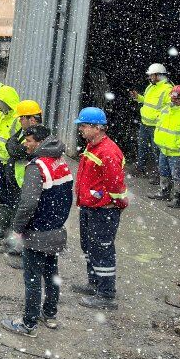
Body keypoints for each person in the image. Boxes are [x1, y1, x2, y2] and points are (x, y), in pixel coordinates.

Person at [2, 125, 73, 336]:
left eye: (30, 140)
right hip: (55, 229)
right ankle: (49, 314)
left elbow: (28, 203)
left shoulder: (36, 167)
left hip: (38, 231)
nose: (26, 144)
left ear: (40, 142)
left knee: (32, 278)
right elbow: (67, 196)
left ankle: (28, 324)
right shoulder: (61, 162)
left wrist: (17, 228)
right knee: (52, 274)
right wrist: (57, 221)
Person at [73, 107, 128, 310]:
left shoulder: (108, 152)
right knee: (89, 246)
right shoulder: (92, 146)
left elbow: (116, 186)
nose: (81, 130)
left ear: (97, 128)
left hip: (103, 209)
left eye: (84, 126)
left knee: (102, 249)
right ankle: (94, 282)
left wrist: (114, 204)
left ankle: (106, 294)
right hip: (90, 206)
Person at [0, 100, 42, 254]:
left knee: (22, 214)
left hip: (24, 181)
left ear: (32, 119)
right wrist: (13, 146)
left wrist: (13, 147)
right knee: (13, 208)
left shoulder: (38, 135)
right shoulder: (24, 131)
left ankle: (20, 247)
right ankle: (11, 238)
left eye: (22, 118)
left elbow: (15, 151)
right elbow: (11, 143)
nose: (19, 120)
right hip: (16, 179)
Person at [149, 84, 180, 207]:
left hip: (177, 152)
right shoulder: (166, 109)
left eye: (177, 97)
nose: (173, 99)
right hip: (164, 149)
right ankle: (164, 192)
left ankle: (178, 199)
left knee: (178, 176)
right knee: (164, 172)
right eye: (172, 96)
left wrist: (178, 144)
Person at [128, 63, 173, 178]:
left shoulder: (168, 89)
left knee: (157, 151)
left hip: (157, 126)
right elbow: (146, 101)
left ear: (158, 75)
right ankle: (140, 169)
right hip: (145, 124)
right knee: (142, 147)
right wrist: (138, 97)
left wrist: (159, 119)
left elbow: (171, 108)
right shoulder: (150, 87)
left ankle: (161, 175)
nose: (149, 77)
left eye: (151, 75)